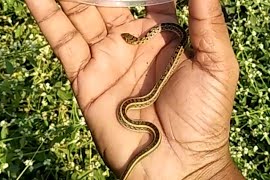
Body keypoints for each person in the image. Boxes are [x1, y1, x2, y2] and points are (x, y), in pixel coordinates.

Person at [25, 0, 243, 179]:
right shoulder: (149, 37)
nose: (127, 40)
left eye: (129, 40)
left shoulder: (169, 37)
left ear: (134, 41)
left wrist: (205, 166)